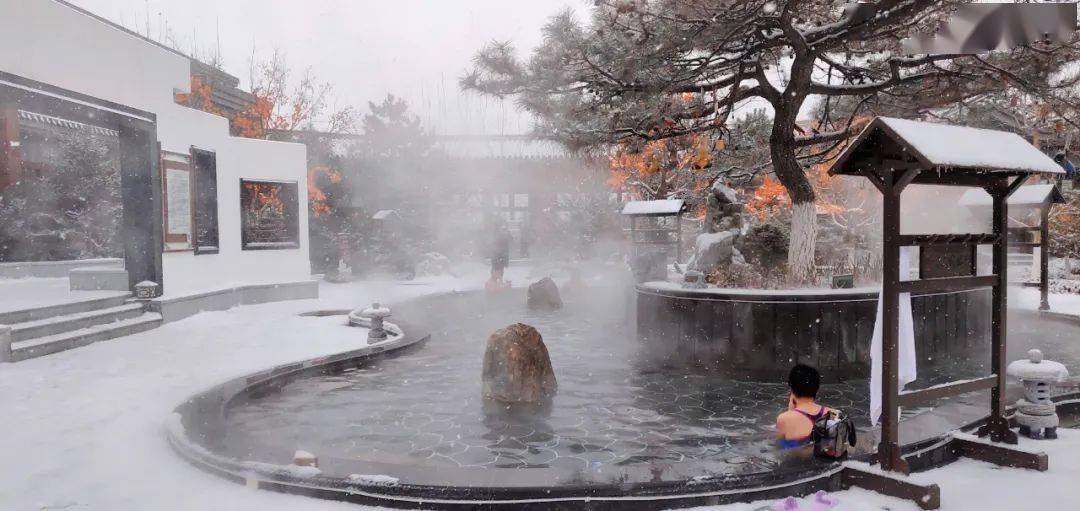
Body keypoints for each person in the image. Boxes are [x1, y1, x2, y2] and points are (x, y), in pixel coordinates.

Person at [776, 364, 831, 450]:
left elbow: (780, 447)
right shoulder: (833, 413)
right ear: (817, 390)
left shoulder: (784, 418)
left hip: (798, 460)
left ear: (791, 389)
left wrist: (791, 411)